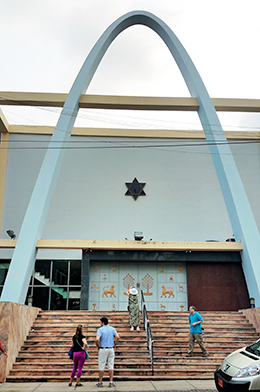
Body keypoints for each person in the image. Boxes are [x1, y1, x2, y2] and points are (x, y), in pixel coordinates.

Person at [95, 317, 120, 388]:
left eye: (100, 322)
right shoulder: (112, 329)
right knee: (111, 365)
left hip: (103, 349)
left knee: (101, 365)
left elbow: (97, 339)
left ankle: (100, 382)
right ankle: (111, 381)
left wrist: (98, 345)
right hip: (111, 348)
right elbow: (117, 337)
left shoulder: (100, 330)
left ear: (102, 322)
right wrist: (115, 344)